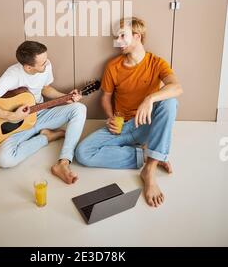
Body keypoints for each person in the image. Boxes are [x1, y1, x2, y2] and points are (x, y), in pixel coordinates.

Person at [75, 17, 183, 207]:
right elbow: (105, 98)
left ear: (137, 36)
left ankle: (149, 170)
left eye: (122, 36)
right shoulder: (113, 66)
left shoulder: (156, 63)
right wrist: (110, 118)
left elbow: (177, 87)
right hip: (121, 126)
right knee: (83, 153)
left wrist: (150, 99)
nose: (117, 41)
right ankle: (150, 156)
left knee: (170, 103)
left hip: (145, 124)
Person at [0, 40, 87, 184]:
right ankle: (46, 137)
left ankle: (63, 163)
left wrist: (65, 98)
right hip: (15, 125)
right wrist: (11, 115)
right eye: (42, 63)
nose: (47, 64)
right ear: (28, 67)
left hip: (40, 113)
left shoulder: (46, 65)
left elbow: (45, 88)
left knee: (80, 109)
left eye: (46, 60)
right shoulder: (12, 75)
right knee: (4, 160)